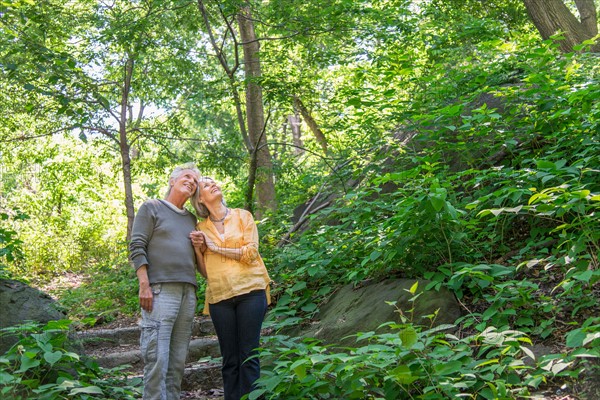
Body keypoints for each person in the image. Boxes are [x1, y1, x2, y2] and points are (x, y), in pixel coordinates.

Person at [190, 177, 271, 400]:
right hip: (220, 297)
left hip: (251, 292)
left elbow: (251, 253)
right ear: (200, 199)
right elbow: (207, 272)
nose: (213, 184)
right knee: (230, 360)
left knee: (249, 356)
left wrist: (216, 248)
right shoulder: (200, 228)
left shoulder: (243, 216)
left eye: (213, 181)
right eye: (206, 185)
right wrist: (199, 250)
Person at [129, 163, 200, 400]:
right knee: (157, 358)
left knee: (177, 361)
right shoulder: (152, 207)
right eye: (187, 176)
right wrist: (144, 285)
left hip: (188, 292)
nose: (191, 181)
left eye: (195, 181)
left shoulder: (191, 219)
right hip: (160, 290)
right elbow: (137, 246)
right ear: (172, 180)